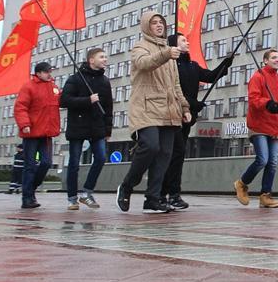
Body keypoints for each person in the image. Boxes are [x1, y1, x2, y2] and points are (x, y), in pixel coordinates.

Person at [116, 12, 191, 214]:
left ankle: (153, 198)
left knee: (165, 154)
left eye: (161, 23)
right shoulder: (140, 47)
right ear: (146, 26)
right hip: (146, 107)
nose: (159, 26)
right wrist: (166, 54)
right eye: (154, 23)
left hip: (169, 109)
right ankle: (127, 185)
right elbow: (144, 64)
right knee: (150, 146)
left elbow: (175, 85)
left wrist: (184, 107)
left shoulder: (170, 52)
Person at [161, 34, 233, 210]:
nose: (187, 42)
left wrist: (225, 64)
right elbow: (172, 91)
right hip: (171, 114)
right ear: (174, 45)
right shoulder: (170, 65)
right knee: (172, 155)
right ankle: (165, 193)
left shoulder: (192, 65)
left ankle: (172, 194)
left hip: (187, 116)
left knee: (178, 156)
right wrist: (193, 104)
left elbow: (209, 77)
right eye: (183, 40)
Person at [234, 49, 278, 209]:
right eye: (273, 57)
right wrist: (267, 103)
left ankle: (266, 195)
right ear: (265, 60)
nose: (277, 59)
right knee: (263, 159)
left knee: (272, 163)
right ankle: (242, 183)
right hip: (259, 126)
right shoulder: (258, 77)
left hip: (275, 126)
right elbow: (253, 99)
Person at [61, 47, 113, 210]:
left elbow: (109, 107)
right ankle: (72, 197)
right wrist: (87, 100)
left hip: (97, 126)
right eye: (102, 57)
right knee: (74, 163)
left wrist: (108, 129)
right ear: (91, 60)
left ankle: (87, 192)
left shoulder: (104, 81)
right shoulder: (76, 79)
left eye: (106, 57)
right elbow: (64, 100)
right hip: (78, 125)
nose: (105, 59)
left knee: (100, 158)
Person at [14, 62, 60, 209]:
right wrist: (25, 124)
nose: (49, 74)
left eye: (50, 71)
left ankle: (31, 187)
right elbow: (20, 107)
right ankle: (27, 198)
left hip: (46, 133)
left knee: (46, 162)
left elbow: (61, 101)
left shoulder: (53, 87)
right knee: (30, 165)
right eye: (46, 72)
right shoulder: (29, 87)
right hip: (32, 133)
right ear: (38, 73)